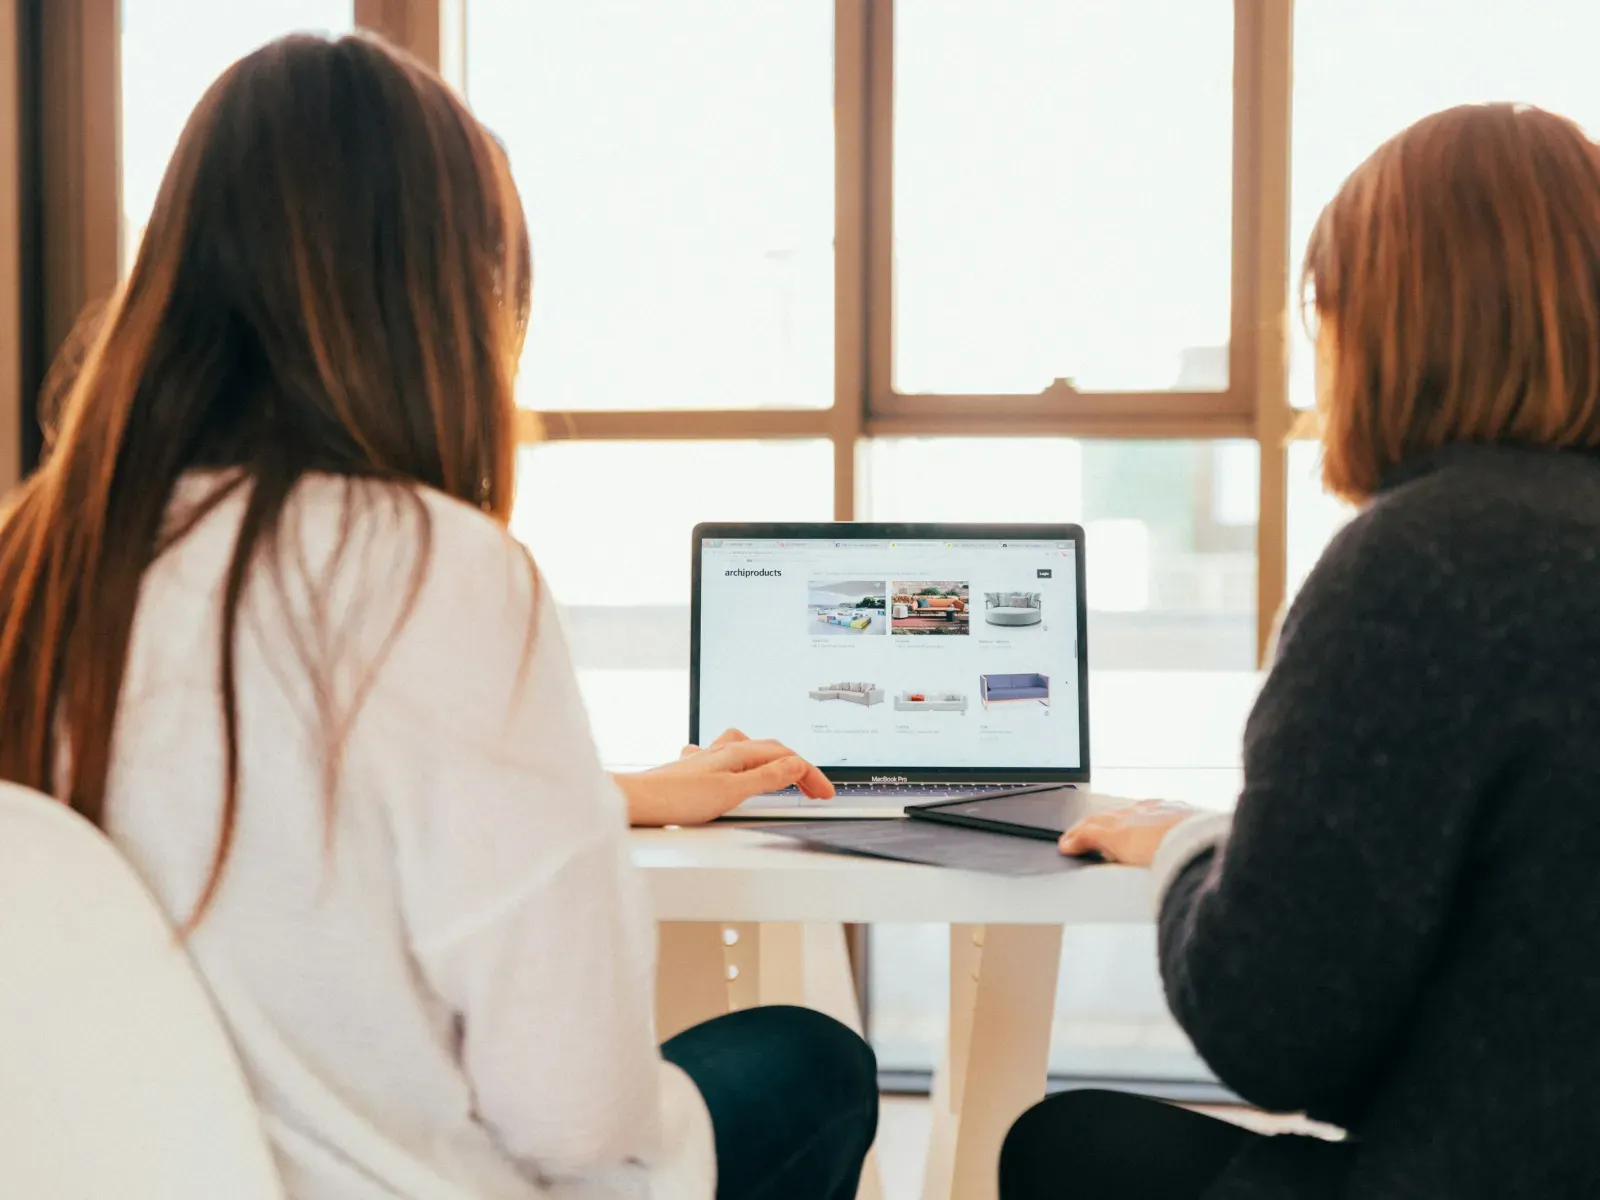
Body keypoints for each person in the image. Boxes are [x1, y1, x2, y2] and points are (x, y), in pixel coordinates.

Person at [0, 32, 876, 1200]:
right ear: (446, 297)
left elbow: (246, 812)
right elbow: (575, 1115)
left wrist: (606, 792)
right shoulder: (433, 569)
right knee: (811, 1063)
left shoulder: (39, 558)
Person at [1002, 102, 1600, 1198]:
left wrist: (1189, 848)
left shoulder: (1423, 562)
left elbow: (1273, 1033)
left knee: (1059, 1150)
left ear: (1388, 326)